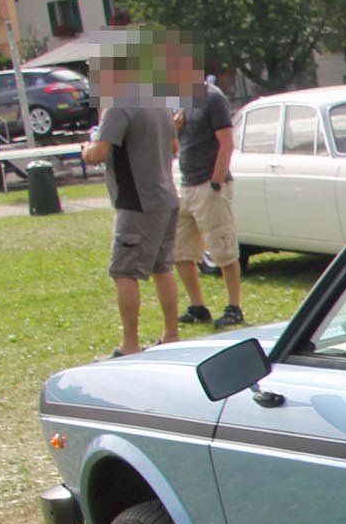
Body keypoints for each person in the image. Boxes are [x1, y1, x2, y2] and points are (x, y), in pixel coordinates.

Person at [82, 37, 180, 357]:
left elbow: (98, 153)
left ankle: (130, 344)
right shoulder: (158, 99)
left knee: (123, 272)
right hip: (166, 197)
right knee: (162, 267)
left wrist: (85, 149)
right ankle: (171, 334)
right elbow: (175, 148)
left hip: (137, 201)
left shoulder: (118, 103)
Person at [172, 56, 241, 328]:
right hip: (187, 186)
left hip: (209, 186)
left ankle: (234, 306)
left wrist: (216, 182)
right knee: (181, 251)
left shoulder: (212, 99)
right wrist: (174, 128)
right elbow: (176, 147)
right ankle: (197, 306)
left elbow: (226, 143)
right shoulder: (181, 102)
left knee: (223, 248)